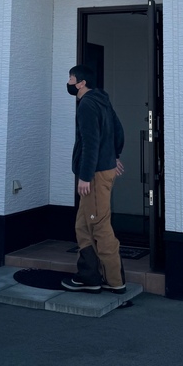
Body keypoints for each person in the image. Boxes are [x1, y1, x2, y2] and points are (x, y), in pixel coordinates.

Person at [61, 64, 126, 294]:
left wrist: (85, 177)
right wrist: (113, 157)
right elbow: (118, 131)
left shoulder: (87, 104)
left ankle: (115, 280)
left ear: (81, 83)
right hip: (102, 169)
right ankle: (89, 276)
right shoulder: (102, 101)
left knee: (99, 226)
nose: (68, 82)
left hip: (95, 175)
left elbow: (90, 142)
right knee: (83, 224)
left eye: (70, 78)